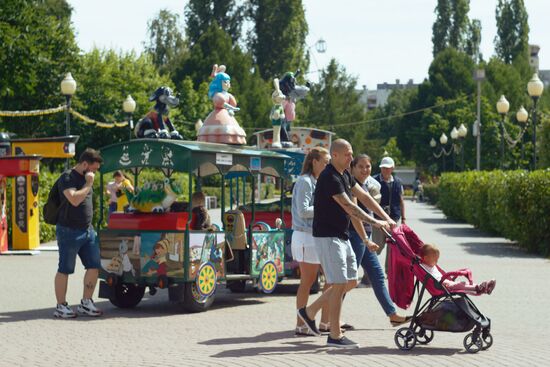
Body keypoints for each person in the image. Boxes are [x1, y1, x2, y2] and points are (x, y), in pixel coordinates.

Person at [296, 139, 395, 349]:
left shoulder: (345, 174)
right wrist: (376, 222)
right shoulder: (330, 176)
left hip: (342, 236)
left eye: (352, 154)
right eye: (348, 154)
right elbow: (349, 206)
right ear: (336, 155)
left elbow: (364, 197)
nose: (351, 157)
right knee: (339, 282)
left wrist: (387, 217)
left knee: (350, 281)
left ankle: (310, 311)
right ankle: (334, 334)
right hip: (327, 236)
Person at [348, 154, 410, 326]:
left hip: (365, 236)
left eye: (367, 166)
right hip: (356, 236)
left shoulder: (365, 185)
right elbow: (354, 214)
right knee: (347, 281)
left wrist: (388, 220)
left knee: (377, 275)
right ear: (352, 168)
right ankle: (322, 315)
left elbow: (370, 204)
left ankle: (392, 314)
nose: (365, 170)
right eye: (360, 166)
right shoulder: (351, 185)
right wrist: (367, 236)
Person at [53, 148, 104, 318]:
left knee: (94, 266)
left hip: (88, 230)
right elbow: (74, 199)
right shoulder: (67, 177)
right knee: (65, 268)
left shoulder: (85, 178)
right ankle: (61, 306)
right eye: (94, 169)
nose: (95, 173)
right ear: (84, 164)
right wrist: (88, 184)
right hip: (68, 231)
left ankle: (86, 302)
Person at [291, 147, 330, 336]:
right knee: (307, 281)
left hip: (315, 236)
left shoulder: (316, 180)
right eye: (325, 161)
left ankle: (325, 322)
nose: (327, 165)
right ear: (314, 162)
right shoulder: (305, 181)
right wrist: (326, 207)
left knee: (331, 279)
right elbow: (303, 211)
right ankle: (301, 324)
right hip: (306, 236)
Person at [372, 156, 405, 273]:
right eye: (383, 168)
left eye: (388, 168)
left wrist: (403, 218)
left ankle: (389, 271)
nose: (385, 170)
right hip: (378, 219)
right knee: (377, 245)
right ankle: (371, 271)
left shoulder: (398, 182)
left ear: (392, 168)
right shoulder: (374, 180)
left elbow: (401, 200)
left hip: (393, 218)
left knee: (392, 247)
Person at [420, 244, 496, 295]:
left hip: (444, 282)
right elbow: (432, 279)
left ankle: (483, 287)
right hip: (441, 285)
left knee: (463, 283)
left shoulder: (431, 264)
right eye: (435, 259)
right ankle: (478, 288)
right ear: (426, 258)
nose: (437, 262)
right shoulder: (424, 267)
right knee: (460, 285)